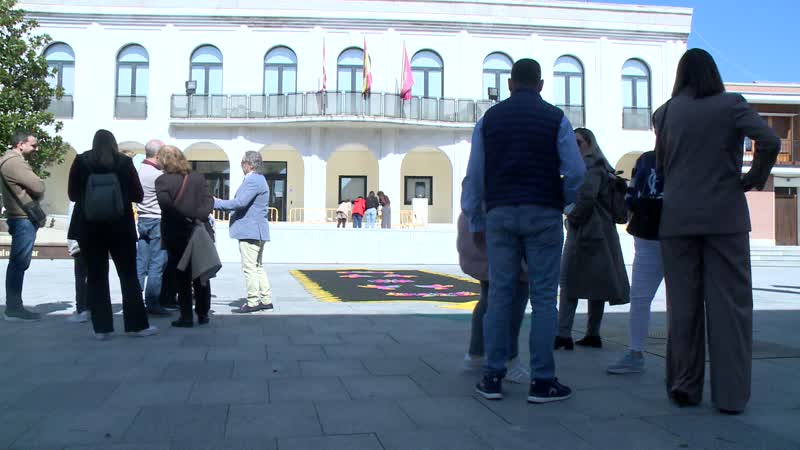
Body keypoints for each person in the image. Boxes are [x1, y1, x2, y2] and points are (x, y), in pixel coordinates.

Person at [655, 49, 779, 414]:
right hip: (724, 217)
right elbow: (769, 140)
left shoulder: (665, 112)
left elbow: (662, 167)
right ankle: (730, 396)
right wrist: (754, 176)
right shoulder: (731, 105)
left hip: (677, 219)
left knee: (683, 308)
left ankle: (684, 386)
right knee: (730, 308)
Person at [462, 58, 585, 403]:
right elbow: (575, 171)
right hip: (543, 213)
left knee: (500, 295)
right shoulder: (556, 118)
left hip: (500, 213)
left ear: (510, 84)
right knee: (544, 298)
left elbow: (475, 176)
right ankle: (543, 381)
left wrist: (475, 220)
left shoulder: (489, 120)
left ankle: (491, 377)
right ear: (541, 85)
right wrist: (563, 201)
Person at [67, 129, 157, 339]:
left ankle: (102, 328)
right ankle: (137, 326)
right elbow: (138, 194)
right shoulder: (124, 163)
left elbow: (72, 194)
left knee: (97, 277)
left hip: (89, 227)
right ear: (114, 144)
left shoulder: (81, 161)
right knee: (128, 276)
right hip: (120, 226)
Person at [555, 128, 630, 350]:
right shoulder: (604, 167)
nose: (575, 147)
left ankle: (563, 334)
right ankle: (592, 333)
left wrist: (572, 217)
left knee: (569, 281)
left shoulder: (589, 168)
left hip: (586, 232)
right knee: (596, 283)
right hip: (603, 232)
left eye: (578, 142)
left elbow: (586, 198)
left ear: (589, 143)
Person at [607, 150, 664, 374]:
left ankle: (681, 354)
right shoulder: (646, 159)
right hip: (648, 235)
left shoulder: (683, 155)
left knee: (680, 300)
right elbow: (632, 191)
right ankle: (635, 352)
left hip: (675, 235)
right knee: (640, 297)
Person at [457, 212, 529, 383]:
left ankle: (476, 355)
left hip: (481, 225)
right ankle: (508, 360)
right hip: (500, 225)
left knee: (489, 295)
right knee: (514, 294)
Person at [155, 146, 214, 328]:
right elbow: (209, 201)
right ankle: (203, 314)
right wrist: (197, 218)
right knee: (201, 273)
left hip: (177, 233)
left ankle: (186, 316)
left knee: (181, 275)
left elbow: (167, 208)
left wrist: (186, 219)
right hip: (199, 230)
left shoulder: (162, 181)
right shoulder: (198, 177)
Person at [214, 151, 274, 314]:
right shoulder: (259, 179)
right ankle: (266, 299)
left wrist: (216, 202)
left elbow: (240, 202)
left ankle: (253, 301)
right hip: (257, 230)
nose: (241, 166)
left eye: (242, 163)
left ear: (249, 164)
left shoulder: (253, 180)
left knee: (250, 268)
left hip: (250, 231)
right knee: (258, 266)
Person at [1, 130, 45, 321]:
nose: (36, 149)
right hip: (22, 218)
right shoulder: (14, 162)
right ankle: (13, 308)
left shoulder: (8, 160)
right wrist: (40, 185)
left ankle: (14, 306)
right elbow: (38, 186)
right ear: (20, 144)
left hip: (19, 217)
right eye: (33, 145)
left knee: (17, 263)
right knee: (19, 263)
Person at [136, 139, 172, 316]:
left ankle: (135, 298)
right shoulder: (158, 176)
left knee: (141, 262)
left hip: (142, 219)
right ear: (158, 155)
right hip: (157, 221)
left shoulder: (140, 171)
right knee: (158, 263)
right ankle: (152, 302)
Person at [65, 201, 89, 323]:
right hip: (98, 240)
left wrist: (72, 246)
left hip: (80, 242)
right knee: (96, 276)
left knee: (81, 277)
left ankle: (82, 309)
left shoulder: (76, 201)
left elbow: (71, 223)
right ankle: (94, 307)